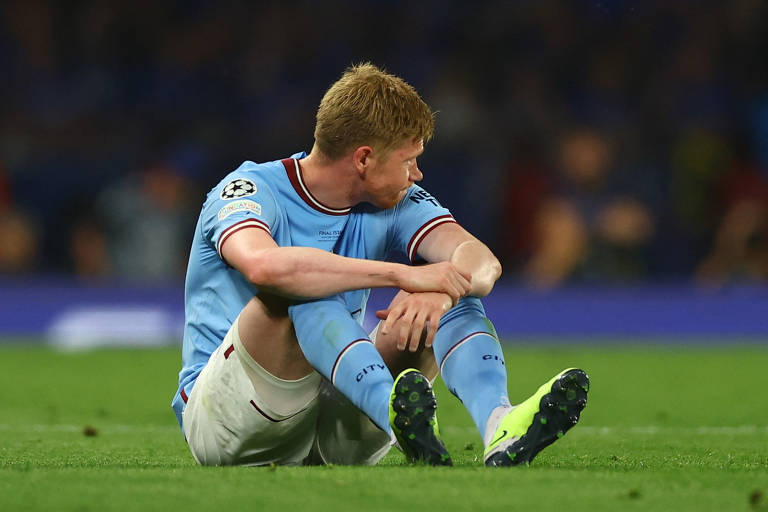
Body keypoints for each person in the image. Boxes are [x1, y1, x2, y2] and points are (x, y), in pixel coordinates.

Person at [171, 63, 589, 467]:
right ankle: (391, 408)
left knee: (454, 293)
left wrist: (440, 292)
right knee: (299, 291)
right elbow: (264, 267)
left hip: (334, 420)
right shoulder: (248, 190)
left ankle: (499, 426)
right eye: (408, 161)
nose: (418, 174)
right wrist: (402, 275)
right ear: (364, 158)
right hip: (230, 424)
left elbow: (482, 263)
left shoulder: (393, 203)